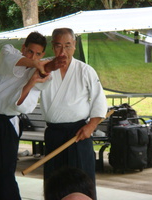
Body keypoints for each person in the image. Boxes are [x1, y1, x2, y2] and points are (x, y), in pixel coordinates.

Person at [0, 31, 66, 200]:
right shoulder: (8, 52)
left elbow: (19, 105)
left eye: (38, 54)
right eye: (30, 51)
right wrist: (38, 64)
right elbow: (10, 60)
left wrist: (33, 80)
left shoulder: (40, 76)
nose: (33, 56)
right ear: (23, 48)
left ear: (42, 54)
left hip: (7, 125)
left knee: (4, 173)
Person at [40, 28, 108, 194]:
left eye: (68, 45)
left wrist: (91, 126)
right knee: (54, 183)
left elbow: (99, 100)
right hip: (54, 134)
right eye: (58, 46)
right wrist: (46, 69)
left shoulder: (85, 70)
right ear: (52, 46)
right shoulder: (43, 68)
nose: (63, 51)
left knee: (82, 181)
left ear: (75, 46)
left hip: (79, 134)